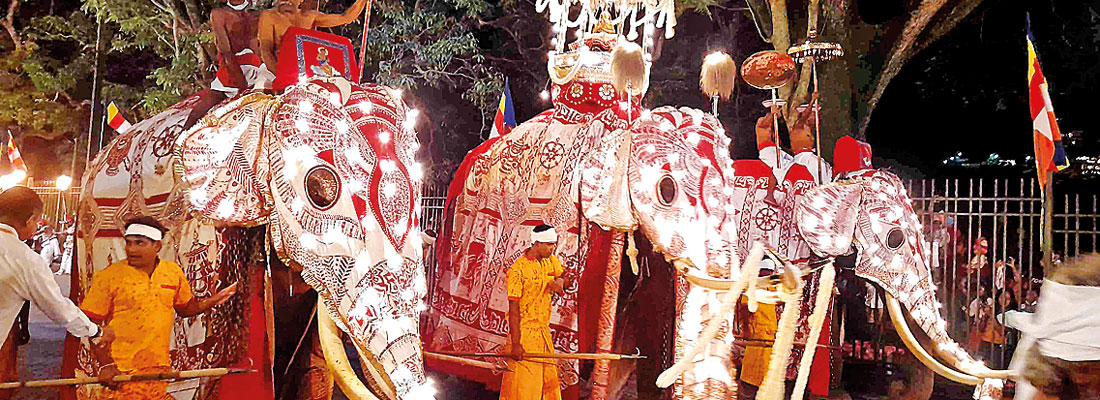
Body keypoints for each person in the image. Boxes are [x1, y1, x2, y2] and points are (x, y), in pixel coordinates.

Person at [81, 216, 238, 399]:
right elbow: (89, 323)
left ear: (157, 246)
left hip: (158, 368)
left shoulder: (172, 273)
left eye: (140, 243)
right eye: (129, 243)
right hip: (121, 371)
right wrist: (105, 364)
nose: (131, 249)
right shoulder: (109, 276)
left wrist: (214, 300)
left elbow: (186, 308)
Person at [0, 187, 112, 399]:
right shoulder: (25, 259)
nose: (35, 228)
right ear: (30, 219)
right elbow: (58, 308)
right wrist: (95, 331)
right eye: (36, 222)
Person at [500, 224, 566, 400]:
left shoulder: (549, 261)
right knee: (524, 390)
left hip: (543, 336)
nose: (553, 248)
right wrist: (516, 345)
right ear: (536, 244)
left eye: (554, 244)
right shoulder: (517, 271)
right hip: (524, 337)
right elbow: (513, 311)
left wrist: (559, 282)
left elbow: (564, 274)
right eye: (549, 244)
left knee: (549, 388)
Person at [184, 0, 272, 129]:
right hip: (233, 70)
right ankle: (181, 138)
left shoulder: (260, 14)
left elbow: (265, 49)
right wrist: (241, 85)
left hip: (260, 69)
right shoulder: (219, 14)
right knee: (207, 103)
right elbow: (226, 53)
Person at [256, 0, 370, 74]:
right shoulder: (269, 16)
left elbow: (346, 18)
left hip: (303, 74)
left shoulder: (308, 17)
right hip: (272, 72)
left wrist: (362, 1)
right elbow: (266, 52)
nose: (286, 1)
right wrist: (281, 77)